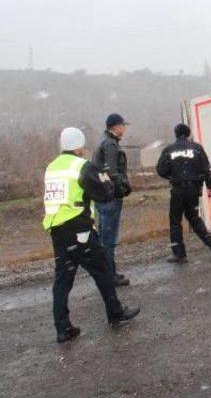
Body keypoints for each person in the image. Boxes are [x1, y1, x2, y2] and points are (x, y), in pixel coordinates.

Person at [43, 127, 140, 343]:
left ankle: (63, 328)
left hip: (57, 230)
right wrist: (108, 184)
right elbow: (103, 195)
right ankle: (115, 313)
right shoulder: (82, 166)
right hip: (79, 229)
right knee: (103, 269)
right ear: (79, 145)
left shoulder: (51, 167)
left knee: (62, 280)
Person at [156, 123, 211, 263]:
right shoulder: (197, 148)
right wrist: (210, 185)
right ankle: (210, 242)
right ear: (188, 134)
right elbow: (206, 169)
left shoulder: (169, 150)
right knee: (194, 217)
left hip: (177, 190)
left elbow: (160, 169)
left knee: (175, 221)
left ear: (176, 134)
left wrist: (172, 176)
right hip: (193, 190)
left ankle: (179, 254)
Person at [93, 113, 132, 286]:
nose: (124, 128)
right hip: (110, 197)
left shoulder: (104, 141)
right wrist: (122, 187)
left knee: (104, 238)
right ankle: (109, 276)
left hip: (102, 195)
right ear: (115, 127)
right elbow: (111, 170)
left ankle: (107, 273)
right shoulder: (109, 144)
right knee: (108, 239)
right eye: (123, 125)